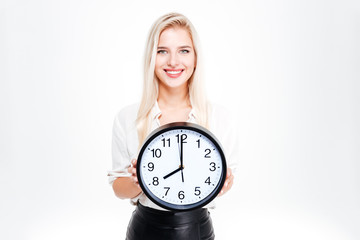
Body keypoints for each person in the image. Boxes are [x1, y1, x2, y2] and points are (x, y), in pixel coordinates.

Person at [108, 12, 238, 240]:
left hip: (195, 228)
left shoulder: (219, 117)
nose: (173, 62)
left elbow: (224, 182)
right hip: (145, 228)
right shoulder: (128, 118)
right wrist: (137, 180)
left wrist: (223, 183)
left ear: (196, 58)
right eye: (162, 51)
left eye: (184, 51)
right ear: (151, 57)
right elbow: (118, 187)